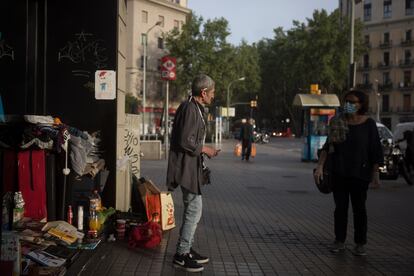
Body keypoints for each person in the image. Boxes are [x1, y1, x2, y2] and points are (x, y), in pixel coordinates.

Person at [313, 90, 383, 256]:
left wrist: (376, 174)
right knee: (340, 209)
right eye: (346, 101)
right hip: (339, 172)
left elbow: (375, 150)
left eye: (352, 102)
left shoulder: (369, 124)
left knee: (359, 209)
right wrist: (320, 167)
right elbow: (328, 147)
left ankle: (360, 243)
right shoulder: (337, 122)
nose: (348, 105)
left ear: (361, 105)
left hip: (360, 173)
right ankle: (339, 240)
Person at [166, 74, 220, 273]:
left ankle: (186, 250)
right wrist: (206, 149)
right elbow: (186, 141)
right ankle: (181, 254)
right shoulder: (190, 109)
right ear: (203, 93)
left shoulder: (193, 107)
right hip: (185, 169)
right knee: (194, 210)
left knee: (193, 209)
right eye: (212, 93)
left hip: (190, 167)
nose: (213, 97)